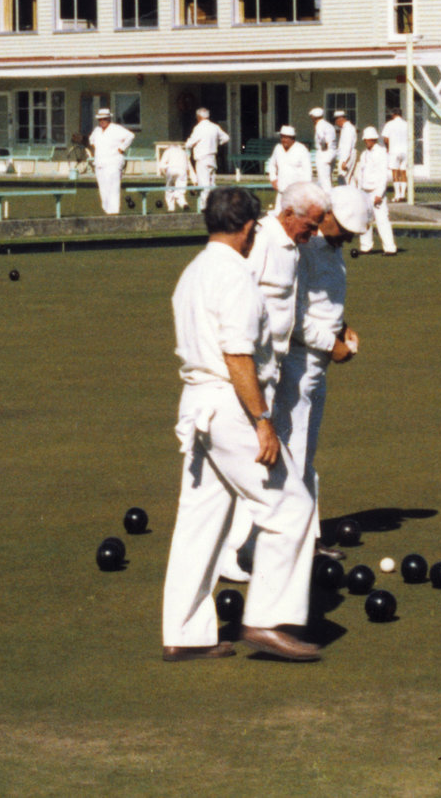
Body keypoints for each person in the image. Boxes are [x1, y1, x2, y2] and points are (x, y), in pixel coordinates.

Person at [158, 186, 321, 664]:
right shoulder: (234, 276)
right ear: (249, 228)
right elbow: (237, 356)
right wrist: (263, 421)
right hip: (231, 406)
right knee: (291, 506)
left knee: (201, 521)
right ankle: (266, 620)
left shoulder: (193, 271)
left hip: (198, 406)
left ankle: (184, 634)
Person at [221, 182, 328, 583]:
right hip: (250, 367)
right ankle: (231, 551)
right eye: (310, 225)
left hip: (273, 367)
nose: (313, 234)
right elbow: (234, 295)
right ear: (287, 215)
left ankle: (249, 546)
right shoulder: (263, 241)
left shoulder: (293, 247)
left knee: (261, 458)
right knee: (253, 457)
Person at [275, 187, 366, 568]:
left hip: (318, 363)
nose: (347, 238)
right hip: (299, 363)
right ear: (326, 214)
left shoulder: (332, 247)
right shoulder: (304, 249)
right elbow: (294, 316)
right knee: (294, 455)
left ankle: (307, 541)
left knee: (305, 456)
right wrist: (332, 344)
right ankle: (290, 547)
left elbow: (323, 304)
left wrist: (342, 327)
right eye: (344, 229)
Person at [351, 127, 397, 254]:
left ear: (374, 139)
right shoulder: (364, 154)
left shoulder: (381, 153)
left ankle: (390, 248)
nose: (367, 142)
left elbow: (383, 176)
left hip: (376, 191)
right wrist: (359, 191)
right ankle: (366, 247)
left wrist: (379, 194)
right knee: (365, 220)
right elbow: (360, 174)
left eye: (369, 139)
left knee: (382, 220)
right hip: (365, 191)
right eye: (366, 140)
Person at [89, 108, 135, 215]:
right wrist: (97, 148)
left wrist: (121, 148)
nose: (102, 121)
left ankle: (114, 211)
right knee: (103, 188)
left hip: (113, 161)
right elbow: (91, 140)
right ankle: (107, 210)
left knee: (113, 187)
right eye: (100, 119)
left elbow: (130, 136)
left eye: (105, 118)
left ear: (109, 118)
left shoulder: (116, 129)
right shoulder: (97, 130)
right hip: (100, 162)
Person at [184, 107, 230, 208]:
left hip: (202, 158)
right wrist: (218, 143)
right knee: (211, 182)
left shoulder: (199, 128)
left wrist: (186, 145)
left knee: (203, 183)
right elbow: (226, 137)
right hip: (212, 157)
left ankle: (205, 206)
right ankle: (215, 203)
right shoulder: (215, 127)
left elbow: (190, 143)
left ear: (198, 117)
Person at [266, 126, 313, 192]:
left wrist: (305, 189)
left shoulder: (301, 149)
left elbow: (307, 172)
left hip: (297, 191)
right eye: (282, 137)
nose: (283, 140)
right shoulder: (278, 148)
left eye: (286, 138)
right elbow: (271, 165)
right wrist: (273, 178)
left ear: (292, 138)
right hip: (281, 190)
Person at [382, 106, 411, 203]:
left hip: (394, 150)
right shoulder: (406, 124)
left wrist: (387, 147)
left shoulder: (389, 124)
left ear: (393, 114)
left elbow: (385, 139)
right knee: (403, 172)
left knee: (395, 172)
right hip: (405, 151)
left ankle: (397, 195)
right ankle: (402, 194)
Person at [160, 140, 191, 212]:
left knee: (169, 188)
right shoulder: (183, 152)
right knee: (180, 189)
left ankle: (171, 207)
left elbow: (162, 165)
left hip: (171, 169)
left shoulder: (168, 151)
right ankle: (183, 203)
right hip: (182, 170)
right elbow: (188, 166)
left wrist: (165, 174)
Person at [309, 107, 335, 189]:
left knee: (324, 179)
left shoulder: (319, 125)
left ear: (314, 117)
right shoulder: (329, 125)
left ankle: (327, 195)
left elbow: (322, 139)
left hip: (324, 152)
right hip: (332, 152)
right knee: (328, 178)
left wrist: (323, 147)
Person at [333, 108, 358, 185]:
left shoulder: (348, 129)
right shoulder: (345, 128)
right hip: (346, 155)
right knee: (350, 179)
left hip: (347, 156)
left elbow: (348, 146)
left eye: (335, 119)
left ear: (340, 119)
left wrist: (345, 161)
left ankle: (345, 192)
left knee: (343, 179)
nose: (335, 122)